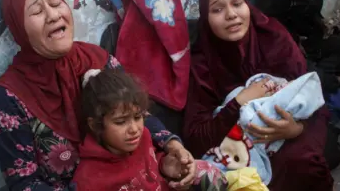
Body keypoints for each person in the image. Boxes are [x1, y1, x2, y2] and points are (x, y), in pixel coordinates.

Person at [0, 0, 196, 190]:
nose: (53, 15)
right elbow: (23, 184)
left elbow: (135, 112)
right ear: (18, 27)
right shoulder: (8, 99)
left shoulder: (98, 60)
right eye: (37, 11)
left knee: (205, 174)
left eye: (55, 3)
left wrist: (171, 146)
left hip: (138, 174)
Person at [184, 0, 334, 191]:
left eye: (237, 3)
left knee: (302, 164)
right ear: (206, 19)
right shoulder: (202, 64)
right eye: (217, 10)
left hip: (290, 131)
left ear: (247, 5)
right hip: (237, 145)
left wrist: (296, 129)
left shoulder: (274, 38)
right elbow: (196, 139)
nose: (231, 15)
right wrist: (238, 103)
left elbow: (313, 102)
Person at [73, 68, 227, 190]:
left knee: (207, 172)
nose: (134, 129)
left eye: (138, 117)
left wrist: (164, 166)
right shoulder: (89, 179)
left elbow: (149, 165)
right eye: (120, 122)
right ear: (95, 125)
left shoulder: (144, 138)